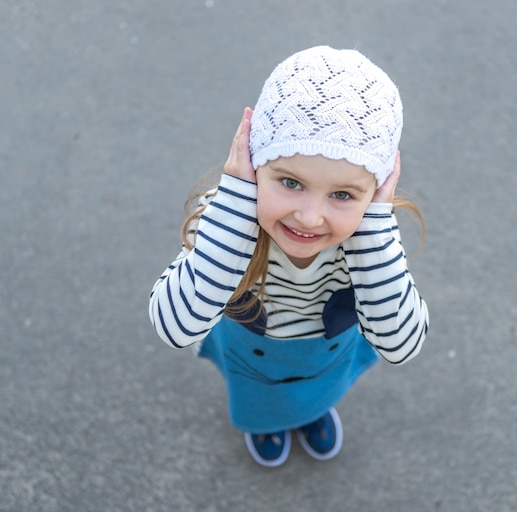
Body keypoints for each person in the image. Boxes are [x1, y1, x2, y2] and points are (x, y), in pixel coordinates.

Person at [149, 46, 429, 467]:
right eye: (291, 183)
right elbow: (175, 327)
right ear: (254, 161)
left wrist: (372, 222)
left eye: (342, 194)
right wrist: (235, 205)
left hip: (325, 359)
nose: (310, 217)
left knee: (319, 392)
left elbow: (401, 345)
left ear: (377, 191)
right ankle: (265, 425)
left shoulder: (370, 239)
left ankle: (311, 412)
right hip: (253, 360)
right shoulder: (222, 215)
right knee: (259, 402)